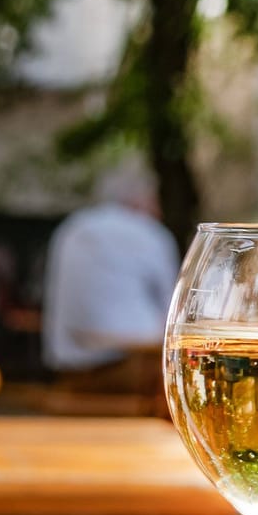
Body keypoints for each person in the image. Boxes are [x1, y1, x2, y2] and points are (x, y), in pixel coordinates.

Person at [41, 163, 180, 387]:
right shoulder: (151, 234)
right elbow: (175, 311)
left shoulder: (71, 228)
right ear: (143, 199)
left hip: (68, 368)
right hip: (131, 368)